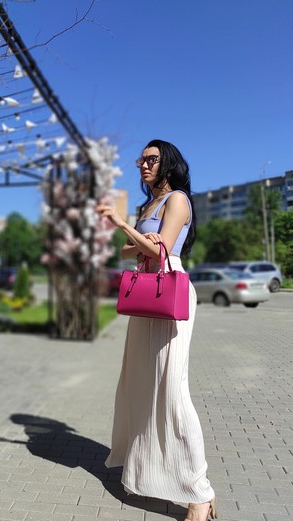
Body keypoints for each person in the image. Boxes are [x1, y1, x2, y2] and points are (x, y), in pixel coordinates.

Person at [95, 139, 217, 521]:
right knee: (141, 385)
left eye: (151, 159)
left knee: (172, 390)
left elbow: (160, 249)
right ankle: (148, 470)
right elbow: (128, 251)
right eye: (141, 160)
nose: (144, 165)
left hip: (170, 289)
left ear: (168, 163)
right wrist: (134, 237)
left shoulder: (177, 200)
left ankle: (200, 493)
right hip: (146, 291)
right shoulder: (147, 206)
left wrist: (122, 225)